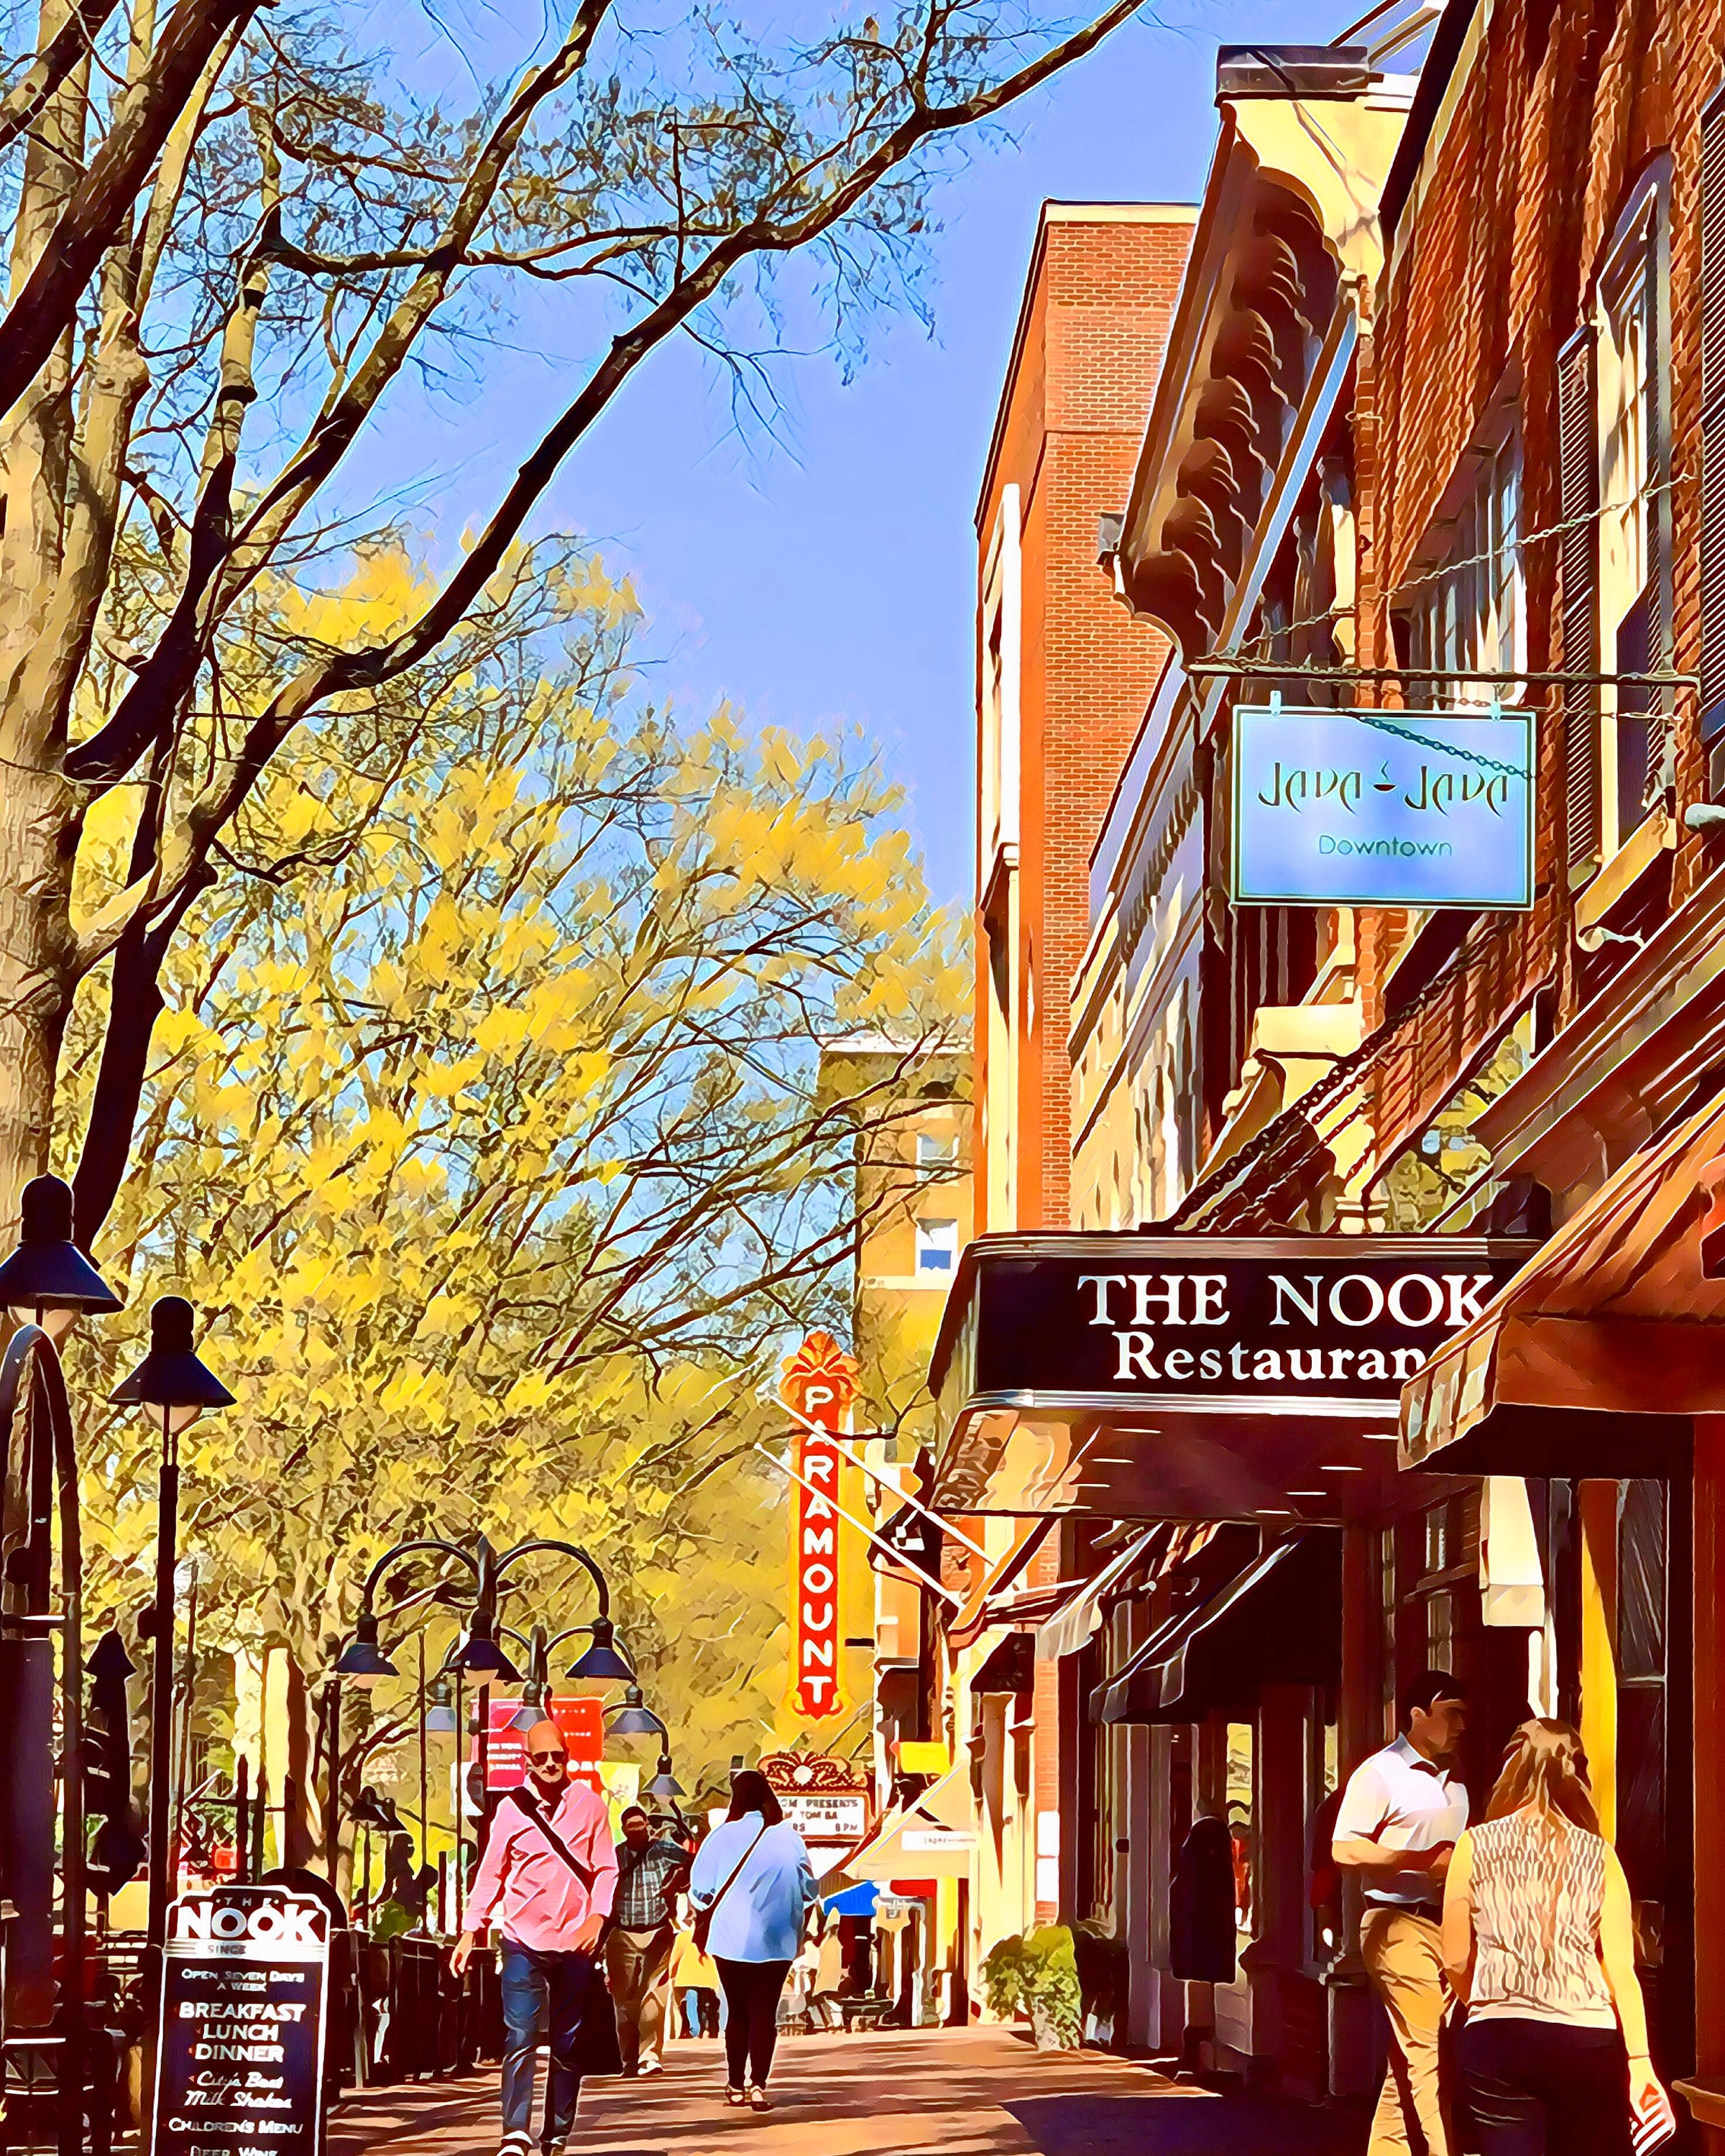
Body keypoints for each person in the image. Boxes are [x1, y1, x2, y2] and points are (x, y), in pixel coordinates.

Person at [1443, 1720, 1676, 2156]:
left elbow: (1455, 1958)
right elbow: (1622, 1970)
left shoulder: (1472, 1846)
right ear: (1577, 1775)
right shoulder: (1600, 1855)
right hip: (1587, 2036)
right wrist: (1640, 2061)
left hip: (1499, 2036)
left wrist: (1486, 2001)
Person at [454, 1720, 620, 2156]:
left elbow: (606, 1869)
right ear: (528, 1760)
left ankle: (558, 2133)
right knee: (520, 2035)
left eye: (558, 1756)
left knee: (568, 2041)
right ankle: (514, 2133)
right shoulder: (510, 1810)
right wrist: (472, 1930)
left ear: (568, 1757)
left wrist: (597, 1919)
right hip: (521, 1938)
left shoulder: (591, 1806)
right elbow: (490, 1872)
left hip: (576, 1942)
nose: (550, 1764)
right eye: (541, 1757)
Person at [1333, 1669, 1470, 2156]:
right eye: (1451, 1713)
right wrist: (1413, 1860)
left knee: (1412, 2053)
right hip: (1396, 1923)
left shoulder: (1457, 1778)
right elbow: (1345, 1850)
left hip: (1449, 1926)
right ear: (1419, 1714)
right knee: (1428, 2046)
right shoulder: (1379, 1773)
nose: (1460, 1726)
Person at [688, 1768, 815, 2111]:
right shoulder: (789, 1837)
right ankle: (759, 2084)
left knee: (738, 2013)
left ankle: (734, 2084)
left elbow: (699, 1891)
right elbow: (810, 1890)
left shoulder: (721, 1836)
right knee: (764, 2013)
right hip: (778, 1940)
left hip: (730, 1940)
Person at [604, 1804, 689, 2076]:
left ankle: (650, 2056)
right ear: (624, 1830)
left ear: (648, 1826)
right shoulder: (615, 1856)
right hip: (622, 1933)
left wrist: (676, 1885)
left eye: (641, 1825)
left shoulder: (663, 1849)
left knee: (654, 1994)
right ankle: (627, 2058)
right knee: (625, 2000)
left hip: (658, 1930)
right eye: (632, 1826)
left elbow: (694, 1863)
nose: (638, 1830)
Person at [670, 1918, 722, 2036]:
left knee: (692, 2002)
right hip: (708, 1978)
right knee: (706, 2004)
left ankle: (695, 2029)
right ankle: (711, 2029)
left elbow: (675, 1957)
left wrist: (672, 1974)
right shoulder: (712, 1935)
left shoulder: (683, 1936)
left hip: (687, 1977)